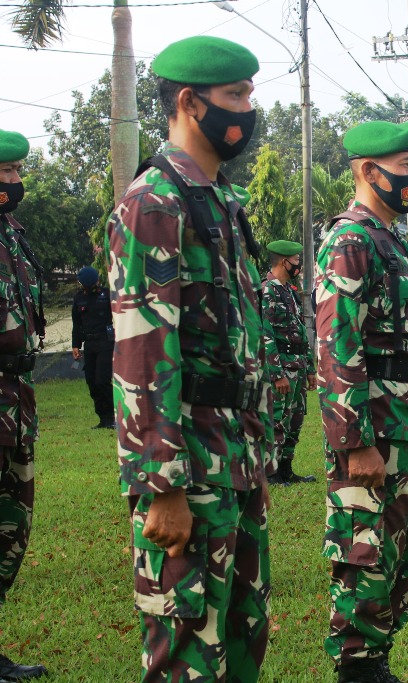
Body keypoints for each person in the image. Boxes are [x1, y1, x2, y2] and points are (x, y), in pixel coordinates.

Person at [106, 36, 272, 682]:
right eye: (235, 96)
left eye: (249, 94)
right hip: (188, 468)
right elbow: (144, 356)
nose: (248, 109)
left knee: (241, 634)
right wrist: (161, 485)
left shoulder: (222, 203)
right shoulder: (154, 203)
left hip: (235, 459)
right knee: (186, 651)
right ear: (188, 102)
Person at [316, 119, 408, 682]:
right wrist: (355, 442)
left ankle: (376, 662)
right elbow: (337, 346)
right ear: (370, 171)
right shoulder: (352, 241)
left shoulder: (393, 242)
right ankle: (357, 667)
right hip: (377, 431)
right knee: (365, 550)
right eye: (407, 166)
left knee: (400, 551)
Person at [0, 129, 47, 681]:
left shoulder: (13, 235)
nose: (16, 183)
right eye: (7, 174)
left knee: (10, 531)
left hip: (16, 401)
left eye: (16, 173)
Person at [261, 240, 317, 486]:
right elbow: (265, 334)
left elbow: (302, 333)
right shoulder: (268, 291)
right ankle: (270, 473)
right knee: (277, 420)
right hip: (282, 367)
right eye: (296, 261)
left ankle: (286, 469)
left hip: (298, 368)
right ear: (284, 261)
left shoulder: (290, 292)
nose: (299, 265)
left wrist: (311, 369)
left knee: (294, 419)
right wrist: (276, 374)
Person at [71, 265, 114, 429]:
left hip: (106, 343)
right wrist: (76, 345)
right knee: (92, 382)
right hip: (89, 345)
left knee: (102, 380)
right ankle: (103, 418)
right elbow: (77, 324)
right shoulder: (78, 298)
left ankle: (113, 416)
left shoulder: (107, 295)